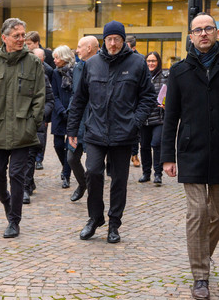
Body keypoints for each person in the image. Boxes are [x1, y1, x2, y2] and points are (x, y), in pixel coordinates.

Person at [67, 20, 156, 244]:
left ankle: (114, 223)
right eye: (109, 39)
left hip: (123, 134)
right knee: (93, 173)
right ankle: (95, 218)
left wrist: (135, 121)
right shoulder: (92, 64)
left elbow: (148, 97)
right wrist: (72, 129)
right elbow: (79, 99)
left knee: (119, 180)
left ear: (123, 40)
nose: (113, 43)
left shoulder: (137, 63)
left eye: (117, 39)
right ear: (103, 41)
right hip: (95, 131)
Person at [161, 12, 219, 300]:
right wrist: (167, 156)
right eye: (198, 30)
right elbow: (170, 117)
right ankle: (200, 276)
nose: (204, 33)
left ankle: (201, 258)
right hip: (191, 151)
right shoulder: (179, 71)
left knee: (217, 214)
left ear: (216, 32)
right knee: (198, 213)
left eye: (209, 28)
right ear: (191, 36)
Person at [0, 17, 45, 238]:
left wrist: (32, 123)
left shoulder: (34, 63)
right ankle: (7, 203)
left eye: (23, 35)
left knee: (17, 175)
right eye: (16, 35)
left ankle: (14, 220)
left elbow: (39, 96)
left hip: (22, 131)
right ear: (4, 37)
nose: (21, 39)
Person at [66, 36, 99, 202]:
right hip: (79, 120)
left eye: (79, 47)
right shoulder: (78, 67)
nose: (76, 50)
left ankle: (94, 195)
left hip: (96, 122)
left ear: (89, 48)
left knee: (94, 165)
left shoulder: (103, 64)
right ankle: (83, 183)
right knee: (71, 158)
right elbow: (76, 95)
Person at [23, 48, 55, 204]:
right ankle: (28, 183)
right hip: (18, 123)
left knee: (29, 156)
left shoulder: (42, 77)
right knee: (19, 158)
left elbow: (50, 100)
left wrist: (40, 115)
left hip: (35, 124)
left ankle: (24, 188)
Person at [138, 51, 166, 185]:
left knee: (156, 144)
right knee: (144, 147)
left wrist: (167, 104)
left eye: (153, 61)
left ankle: (158, 174)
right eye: (148, 61)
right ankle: (146, 173)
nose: (151, 63)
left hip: (159, 118)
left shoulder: (166, 77)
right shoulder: (141, 77)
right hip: (144, 118)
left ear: (158, 62)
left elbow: (170, 95)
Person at [51, 45, 75, 189]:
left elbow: (77, 92)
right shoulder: (55, 73)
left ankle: (66, 175)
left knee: (69, 147)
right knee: (58, 145)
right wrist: (61, 111)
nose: (54, 60)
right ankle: (64, 166)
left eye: (57, 57)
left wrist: (71, 110)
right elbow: (54, 94)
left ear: (64, 58)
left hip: (73, 113)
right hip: (59, 113)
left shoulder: (77, 70)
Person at [33, 47, 54, 171]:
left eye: (40, 58)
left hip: (42, 114)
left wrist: (45, 114)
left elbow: (50, 95)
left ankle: (39, 159)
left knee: (41, 137)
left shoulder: (48, 71)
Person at [126, 35, 141, 168]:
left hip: (136, 101)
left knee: (135, 130)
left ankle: (134, 154)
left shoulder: (140, 61)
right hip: (125, 102)